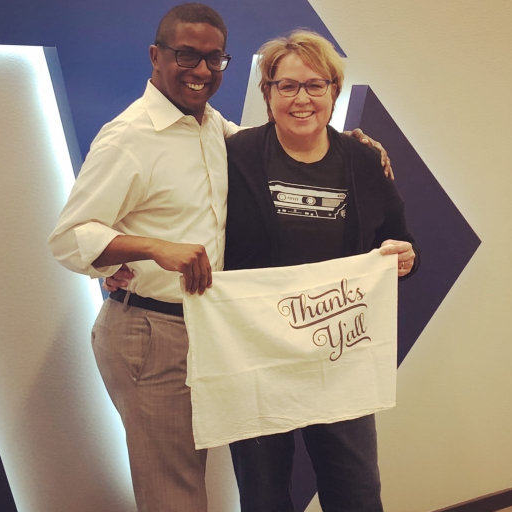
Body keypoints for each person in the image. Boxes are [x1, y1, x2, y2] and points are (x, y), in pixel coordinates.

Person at [49, 5, 390, 510]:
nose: (202, 70)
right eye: (187, 55)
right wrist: (153, 248)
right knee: (175, 494)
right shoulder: (129, 136)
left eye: (214, 59)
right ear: (156, 56)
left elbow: (283, 138)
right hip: (154, 333)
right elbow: (69, 236)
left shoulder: (212, 127)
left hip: (215, 331)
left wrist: (350, 144)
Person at [222, 30, 418, 512]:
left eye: (315, 85)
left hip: (339, 355)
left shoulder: (363, 159)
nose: (302, 98)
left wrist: (404, 258)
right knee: (264, 495)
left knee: (356, 492)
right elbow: (175, 204)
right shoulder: (234, 155)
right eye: (287, 86)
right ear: (267, 93)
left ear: (334, 91)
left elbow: (398, 240)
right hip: (257, 357)